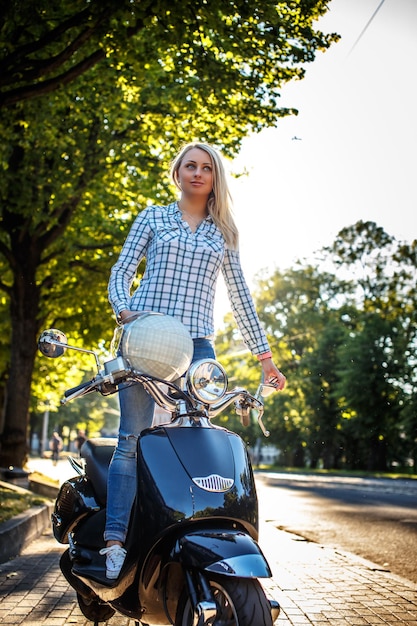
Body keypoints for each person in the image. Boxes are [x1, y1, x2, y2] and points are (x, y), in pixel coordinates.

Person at [100, 141, 286, 579]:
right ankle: (114, 542)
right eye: (190, 165)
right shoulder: (153, 217)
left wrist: (266, 360)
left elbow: (240, 297)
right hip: (144, 337)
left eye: (206, 168)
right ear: (177, 172)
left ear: (215, 178)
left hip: (198, 345)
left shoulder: (224, 233)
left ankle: (188, 534)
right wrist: (124, 310)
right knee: (133, 438)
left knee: (196, 435)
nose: (198, 173)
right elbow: (121, 271)